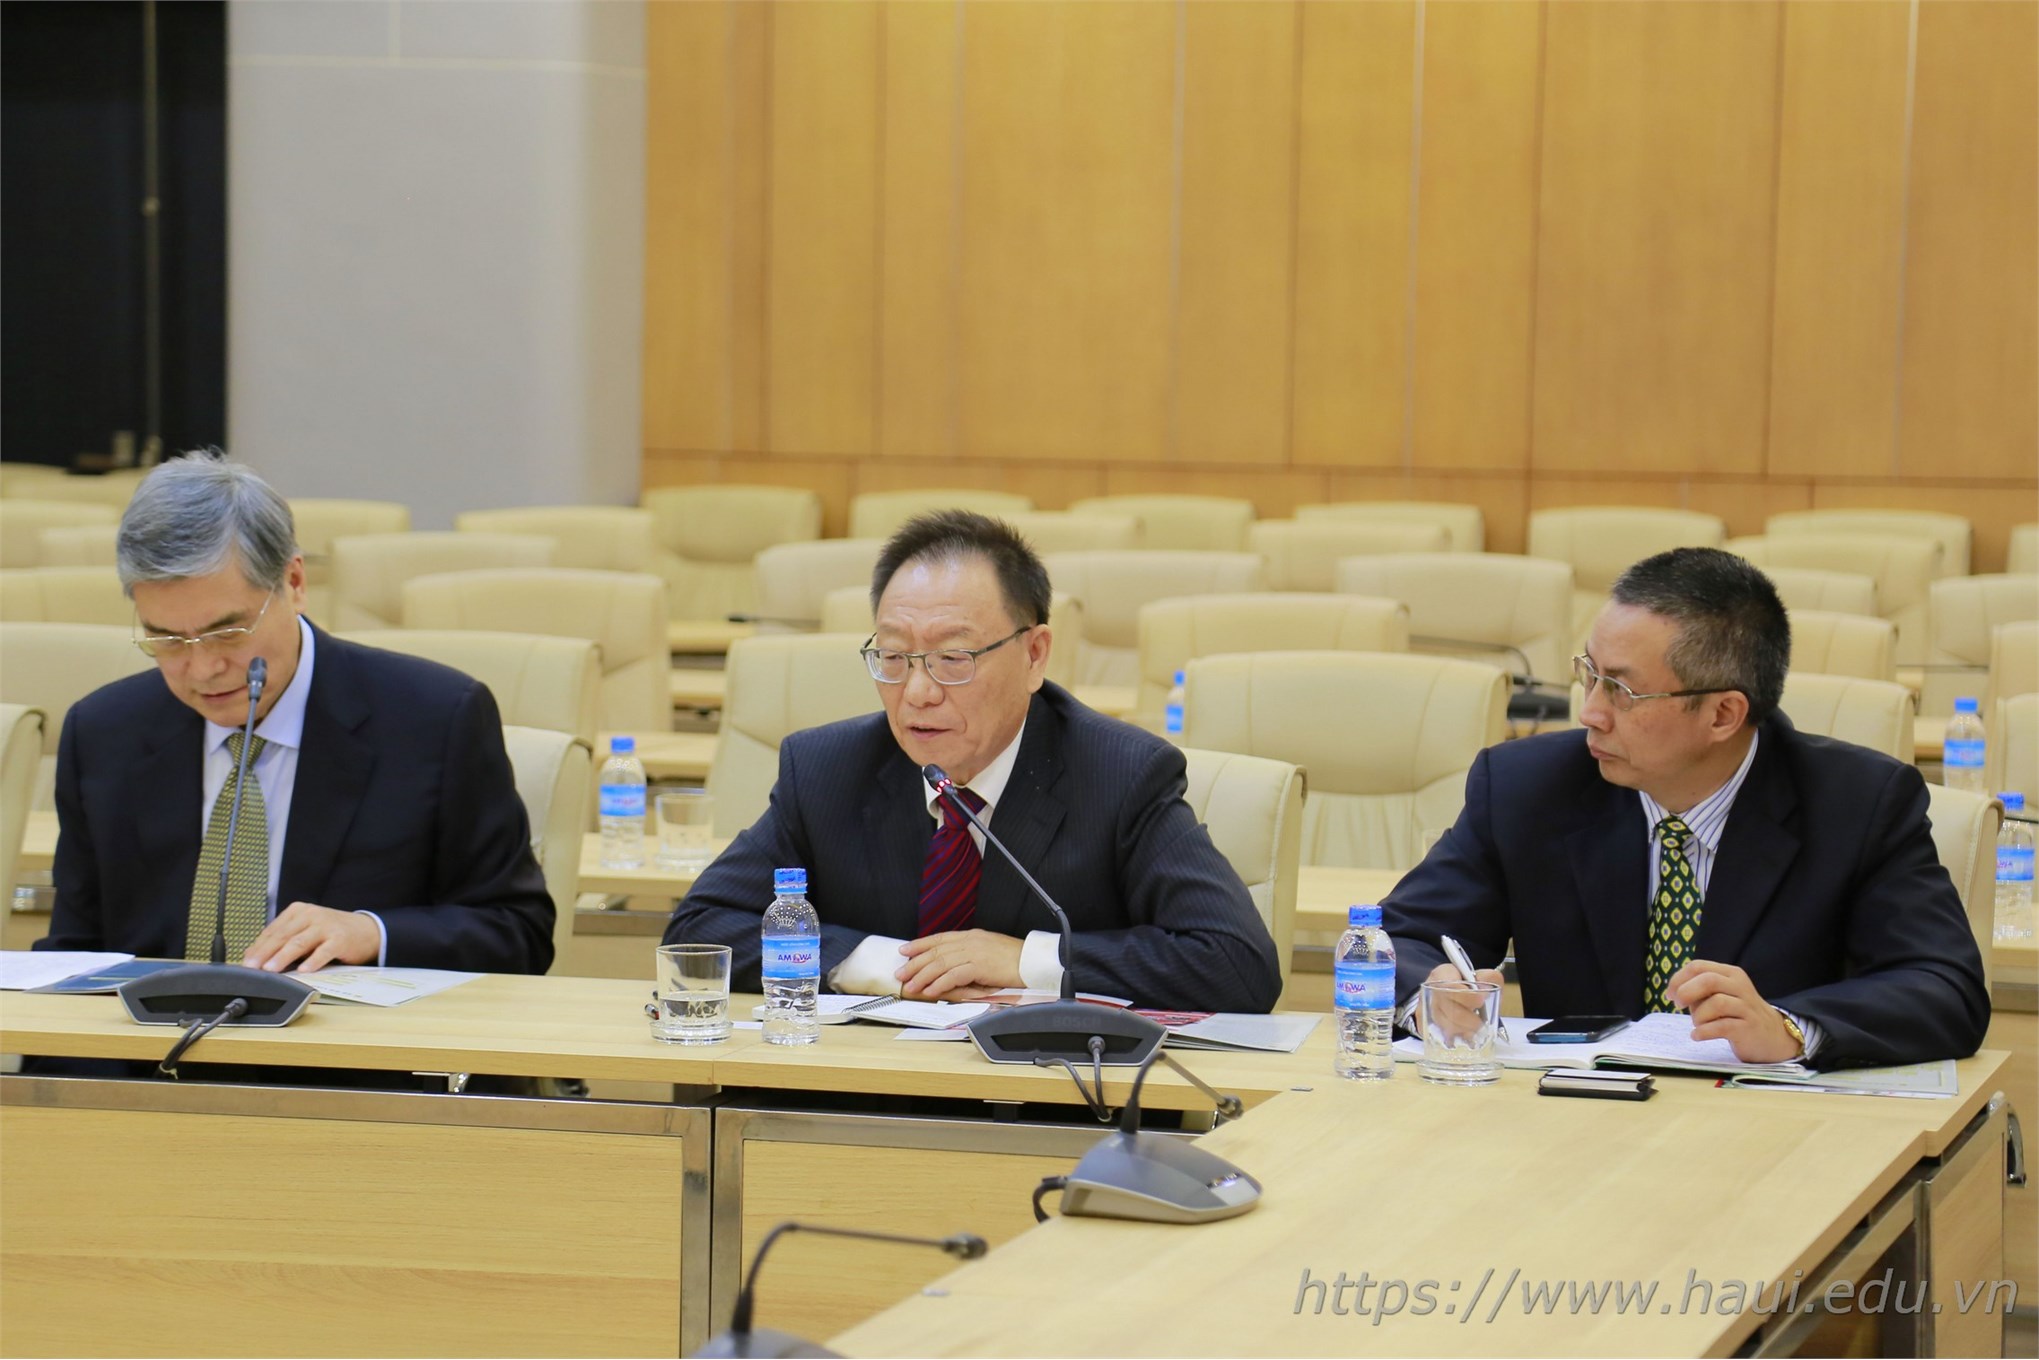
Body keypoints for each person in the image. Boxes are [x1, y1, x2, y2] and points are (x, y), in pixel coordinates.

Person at [1383, 547, 1988, 1069]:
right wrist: (1429, 991)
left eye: (1621, 689)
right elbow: (1395, 939)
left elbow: (1945, 988)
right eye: (1589, 674)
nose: (1590, 711)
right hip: (1572, 1119)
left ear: (1723, 714)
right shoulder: (1528, 786)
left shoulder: (1858, 804)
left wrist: (1790, 1028)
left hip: (1776, 1134)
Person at [664, 510, 1283, 1012]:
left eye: (953, 659)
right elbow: (696, 934)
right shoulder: (829, 768)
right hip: (859, 1104)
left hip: (1051, 1111)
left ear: (1035, 655)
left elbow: (1236, 963)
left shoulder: (1119, 775)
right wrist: (877, 963)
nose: (917, 692)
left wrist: (1024, 961)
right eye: (894, 657)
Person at [40, 454, 554, 975]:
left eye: (228, 632)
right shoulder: (104, 731)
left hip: (345, 1048)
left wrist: (372, 932)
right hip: (148, 1051)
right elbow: (75, 950)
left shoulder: (435, 719)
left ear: (294, 582)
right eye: (167, 639)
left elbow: (519, 933)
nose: (203, 668)